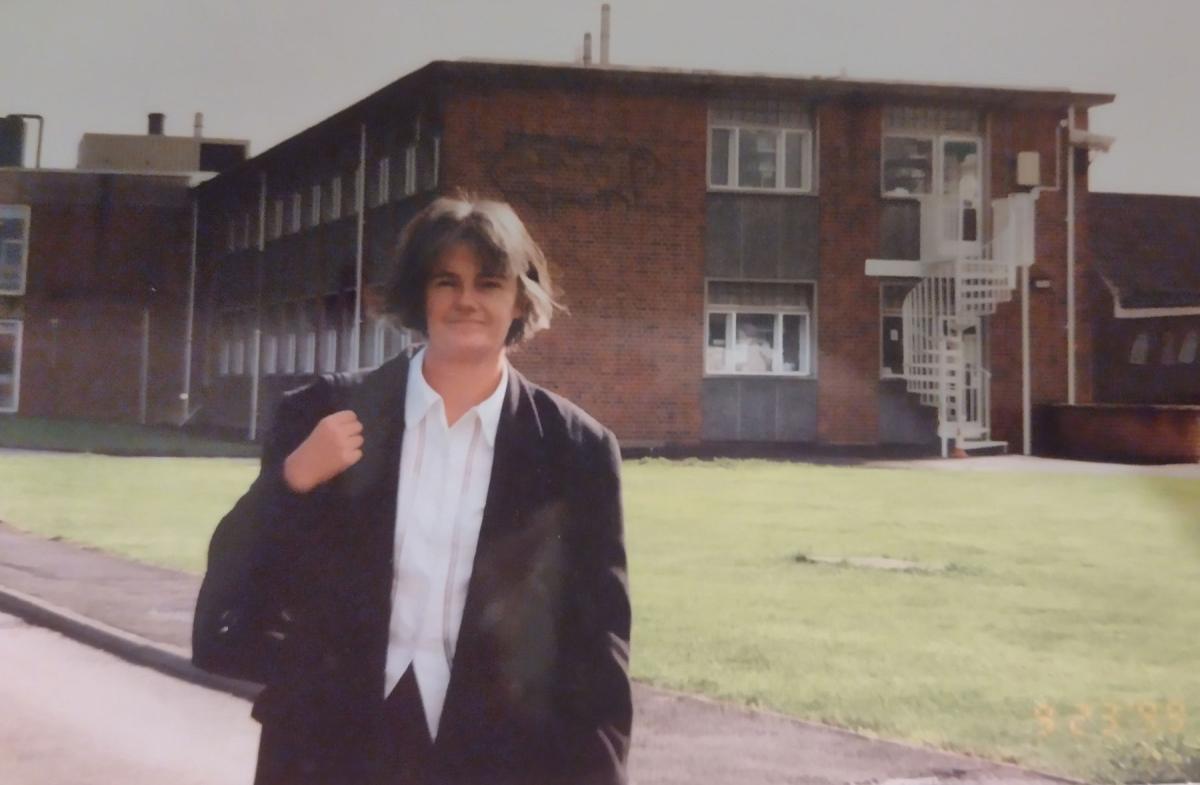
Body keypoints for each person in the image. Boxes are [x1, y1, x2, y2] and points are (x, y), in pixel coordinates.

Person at [193, 195, 632, 785]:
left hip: (497, 760)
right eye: (446, 280)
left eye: (489, 282)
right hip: (332, 752)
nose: (467, 300)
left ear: (521, 300)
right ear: (418, 294)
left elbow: (598, 650)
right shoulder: (323, 415)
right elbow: (228, 594)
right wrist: (290, 482)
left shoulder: (574, 450)